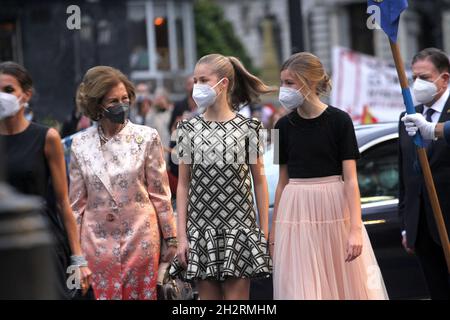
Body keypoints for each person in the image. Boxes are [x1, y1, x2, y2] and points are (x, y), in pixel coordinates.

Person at [271, 52, 388, 300]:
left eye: (289, 83)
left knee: (345, 286)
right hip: (296, 212)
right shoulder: (281, 126)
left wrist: (356, 229)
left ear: (309, 82)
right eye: (282, 83)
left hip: (335, 209)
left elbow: (351, 179)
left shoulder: (340, 120)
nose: (284, 89)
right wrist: (276, 229)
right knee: (303, 289)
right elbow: (282, 182)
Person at [169, 54, 273, 300]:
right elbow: (182, 186)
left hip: (240, 229)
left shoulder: (253, 126)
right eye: (195, 80)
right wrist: (181, 236)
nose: (197, 86)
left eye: (204, 80)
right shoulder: (185, 129)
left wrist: (264, 233)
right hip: (201, 230)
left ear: (223, 83)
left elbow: (260, 180)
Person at [69, 66, 177, 300]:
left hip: (141, 240)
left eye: (125, 99)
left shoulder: (146, 137)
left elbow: (160, 195)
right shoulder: (79, 145)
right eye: (113, 101)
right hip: (96, 246)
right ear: (98, 105)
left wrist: (171, 238)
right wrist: (76, 255)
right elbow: (76, 206)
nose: (121, 105)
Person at [0, 61, 92, 299]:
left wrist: (78, 258)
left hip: (39, 238)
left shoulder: (46, 138)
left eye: (8, 90)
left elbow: (63, 202)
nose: (2, 97)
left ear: (26, 95)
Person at [398, 48, 450, 299]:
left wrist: (433, 130)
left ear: (445, 79)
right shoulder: (407, 116)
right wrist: (406, 224)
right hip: (422, 228)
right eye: (414, 77)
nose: (418, 84)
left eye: (425, 78)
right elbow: (405, 174)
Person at [145, 87, 173, 164]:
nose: (159, 100)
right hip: (156, 154)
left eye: (162, 98)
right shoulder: (151, 114)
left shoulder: (172, 112)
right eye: (157, 98)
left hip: (170, 151)